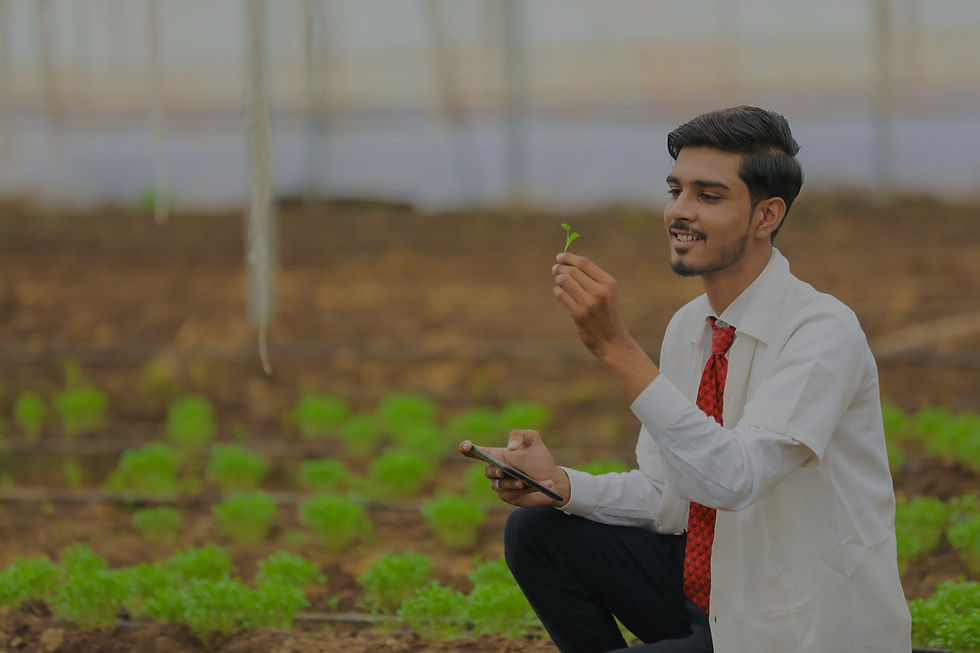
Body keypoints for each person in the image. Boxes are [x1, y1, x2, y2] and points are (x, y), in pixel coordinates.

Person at [459, 106, 911, 653]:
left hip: (803, 626)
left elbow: (734, 478)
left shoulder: (821, 332)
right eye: (676, 190)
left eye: (709, 196)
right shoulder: (691, 328)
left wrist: (615, 348)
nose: (680, 211)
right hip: (720, 596)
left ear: (766, 216)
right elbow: (671, 498)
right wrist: (560, 484)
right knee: (539, 530)